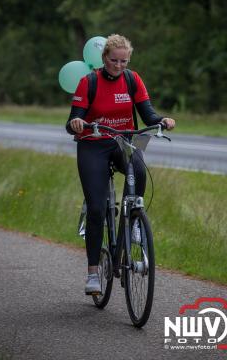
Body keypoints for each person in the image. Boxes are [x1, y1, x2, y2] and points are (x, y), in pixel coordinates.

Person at [66, 34, 175, 294]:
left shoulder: (132, 79)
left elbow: (146, 112)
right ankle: (93, 273)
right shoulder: (88, 82)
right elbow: (72, 121)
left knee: (138, 170)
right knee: (95, 208)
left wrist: (162, 120)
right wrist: (77, 124)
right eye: (114, 60)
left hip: (123, 141)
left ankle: (133, 222)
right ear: (104, 59)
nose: (119, 66)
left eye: (124, 61)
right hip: (93, 144)